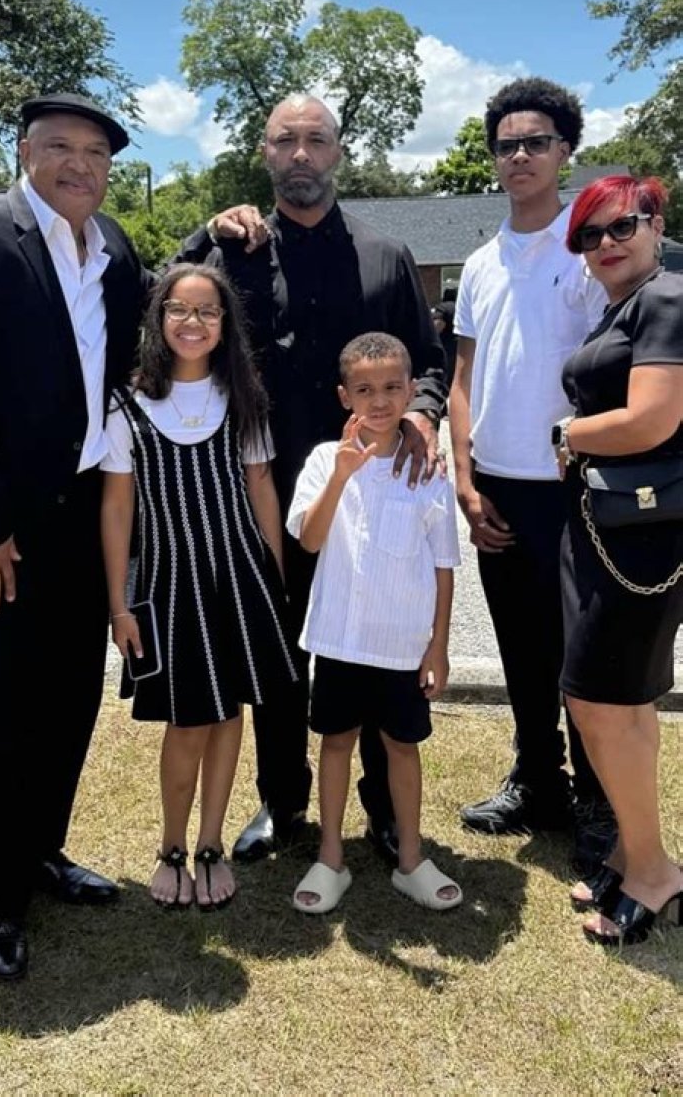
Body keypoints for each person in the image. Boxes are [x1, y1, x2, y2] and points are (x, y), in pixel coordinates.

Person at [178, 94, 447, 864]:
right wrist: (205, 232)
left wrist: (423, 412)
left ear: (338, 152)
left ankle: (384, 808)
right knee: (279, 653)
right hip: (266, 493)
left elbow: (430, 361)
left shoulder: (387, 255)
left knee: (379, 648)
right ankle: (283, 799)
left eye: (316, 139)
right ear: (264, 152)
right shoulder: (229, 255)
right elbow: (168, 319)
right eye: (285, 140)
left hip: (376, 497)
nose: (301, 153)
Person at [0, 93, 151, 980]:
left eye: (97, 154)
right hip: (1, 525)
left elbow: (152, 329)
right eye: (63, 148)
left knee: (70, 696)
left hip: (85, 512)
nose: (82, 165)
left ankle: (40, 849)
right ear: (25, 151)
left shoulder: (112, 244)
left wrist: (221, 234)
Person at [449, 77, 615, 877]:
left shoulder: (592, 252)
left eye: (536, 142)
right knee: (521, 647)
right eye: (507, 144)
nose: (520, 155)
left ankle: (597, 802)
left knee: (582, 653)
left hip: (576, 486)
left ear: (565, 151)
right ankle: (538, 780)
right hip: (499, 486)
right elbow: (461, 376)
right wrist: (464, 478)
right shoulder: (480, 262)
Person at [100, 264, 298, 910]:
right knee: (188, 722)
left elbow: (261, 487)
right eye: (179, 309)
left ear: (224, 323)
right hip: (169, 586)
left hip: (239, 578)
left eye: (208, 311)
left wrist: (274, 579)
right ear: (159, 317)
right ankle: (172, 847)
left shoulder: (241, 395)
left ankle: (211, 844)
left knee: (230, 712)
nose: (193, 322)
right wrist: (118, 604)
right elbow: (117, 508)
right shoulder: (127, 404)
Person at [286, 333, 462, 914]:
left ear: (411, 391)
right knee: (335, 743)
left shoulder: (428, 469)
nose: (379, 401)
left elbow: (443, 564)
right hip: (340, 639)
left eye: (391, 388)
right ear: (345, 397)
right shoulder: (323, 461)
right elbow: (309, 540)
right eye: (364, 390)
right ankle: (330, 857)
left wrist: (438, 646)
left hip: (402, 644)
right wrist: (341, 475)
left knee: (402, 748)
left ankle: (411, 859)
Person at [553, 176, 683, 945]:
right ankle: (638, 853)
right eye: (588, 235)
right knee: (614, 700)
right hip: (610, 525)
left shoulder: (667, 299)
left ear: (656, 223)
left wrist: (567, 434)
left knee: (603, 698)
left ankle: (655, 871)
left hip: (643, 532)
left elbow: (653, 418)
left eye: (621, 226)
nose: (605, 243)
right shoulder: (626, 307)